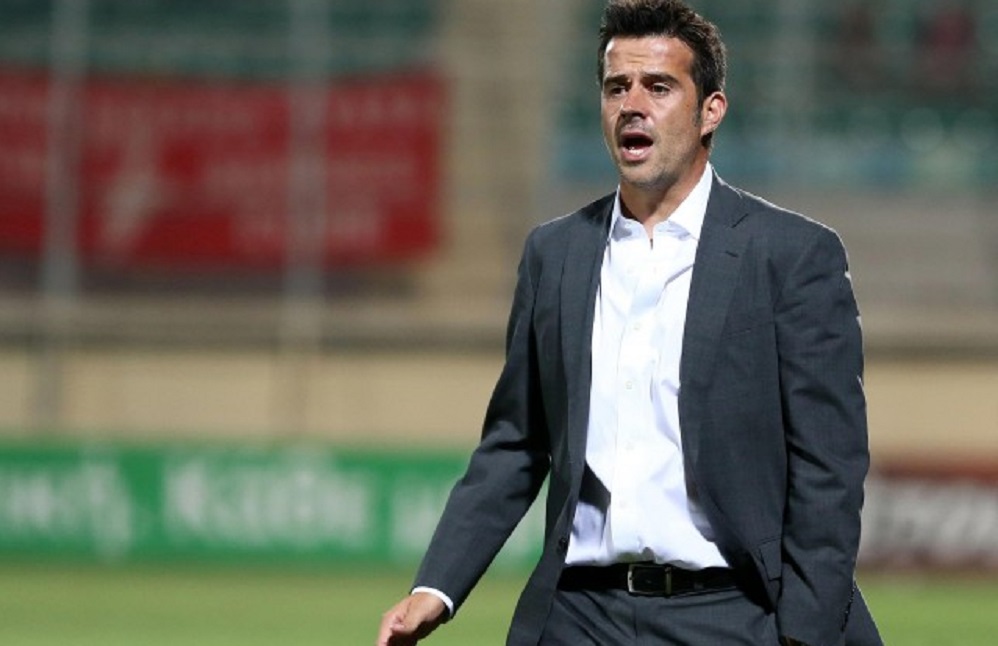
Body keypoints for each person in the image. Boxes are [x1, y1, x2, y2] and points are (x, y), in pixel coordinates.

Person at [378, 1, 882, 644]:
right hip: (580, 614)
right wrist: (436, 588)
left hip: (732, 612)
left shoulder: (792, 255)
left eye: (659, 87)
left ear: (711, 111)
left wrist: (806, 632)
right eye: (617, 87)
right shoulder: (555, 253)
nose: (632, 105)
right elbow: (515, 443)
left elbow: (828, 466)